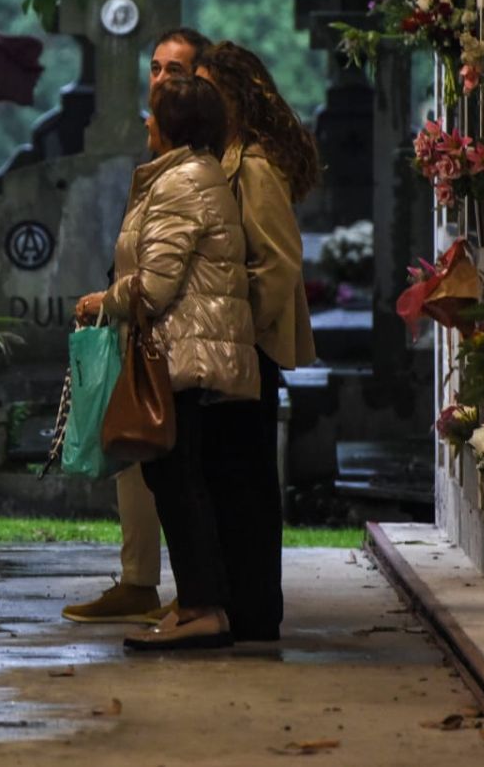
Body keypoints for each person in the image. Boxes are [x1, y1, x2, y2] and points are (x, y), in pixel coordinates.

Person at [73, 75, 257, 651]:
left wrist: (103, 301)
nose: (145, 123)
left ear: (173, 125)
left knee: (177, 481)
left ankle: (203, 607)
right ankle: (200, 603)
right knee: (176, 477)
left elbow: (155, 285)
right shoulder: (189, 176)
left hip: (183, 348)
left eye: (153, 114)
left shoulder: (180, 183)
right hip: (189, 345)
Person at [63, 26, 211, 626]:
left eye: (173, 71)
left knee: (171, 469)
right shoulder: (163, 159)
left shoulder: (193, 166)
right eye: (154, 68)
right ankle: (138, 579)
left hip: (171, 333)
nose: (158, 80)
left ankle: (193, 591)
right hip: (142, 330)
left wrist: (113, 298)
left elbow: (164, 271)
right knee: (135, 462)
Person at [191, 41, 320, 644]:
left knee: (246, 485)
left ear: (237, 97)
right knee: (228, 478)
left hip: (248, 350)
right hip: (233, 346)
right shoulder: (224, 157)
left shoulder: (256, 168)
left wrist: (242, 336)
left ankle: (255, 608)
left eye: (210, 90)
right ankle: (236, 602)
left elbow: (277, 263)